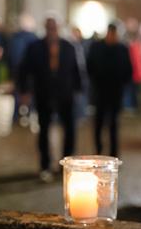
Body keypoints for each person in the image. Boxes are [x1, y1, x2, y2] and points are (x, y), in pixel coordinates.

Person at [18, 17, 84, 181]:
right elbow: (24, 69)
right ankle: (45, 165)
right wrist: (24, 90)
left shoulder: (68, 47)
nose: (52, 31)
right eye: (49, 28)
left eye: (54, 28)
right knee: (44, 130)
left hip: (65, 94)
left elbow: (76, 70)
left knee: (69, 130)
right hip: (44, 93)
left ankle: (67, 164)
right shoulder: (35, 47)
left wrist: (78, 89)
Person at [87, 23, 133, 157]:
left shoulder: (122, 49)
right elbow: (90, 66)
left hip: (115, 93)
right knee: (98, 123)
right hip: (100, 92)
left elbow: (128, 70)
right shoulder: (97, 47)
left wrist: (122, 83)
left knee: (113, 124)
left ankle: (113, 153)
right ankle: (98, 149)